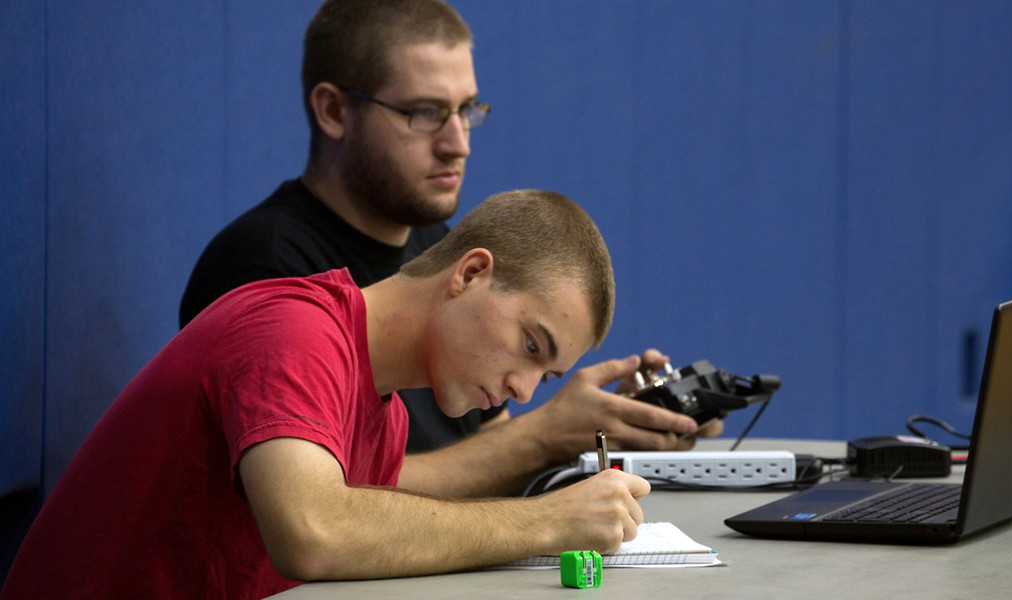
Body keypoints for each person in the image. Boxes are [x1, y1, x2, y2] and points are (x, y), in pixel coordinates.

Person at [1, 190, 652, 599]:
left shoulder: (385, 412)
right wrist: (549, 523)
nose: (524, 387)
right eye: (532, 346)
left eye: (547, 375)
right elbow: (314, 532)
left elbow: (367, 532)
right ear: (471, 274)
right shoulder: (294, 331)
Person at [177, 0, 720, 490]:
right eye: (425, 112)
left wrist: (601, 428)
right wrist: (542, 439)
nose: (458, 143)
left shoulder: (442, 252)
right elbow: (335, 506)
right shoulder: (267, 269)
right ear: (334, 111)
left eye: (467, 110)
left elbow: (477, 477)